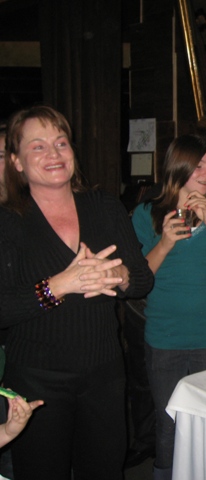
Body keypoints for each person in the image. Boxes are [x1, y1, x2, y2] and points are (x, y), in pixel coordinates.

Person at [0, 105, 154, 479]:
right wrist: (59, 285)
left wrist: (117, 275)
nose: (53, 153)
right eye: (38, 146)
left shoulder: (104, 205)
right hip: (36, 382)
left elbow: (142, 279)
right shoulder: (7, 221)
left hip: (104, 373)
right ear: (17, 161)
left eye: (61, 142)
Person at [131, 134, 206, 480]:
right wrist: (165, 243)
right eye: (199, 166)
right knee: (168, 425)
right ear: (178, 167)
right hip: (165, 338)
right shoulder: (146, 214)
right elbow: (138, 280)